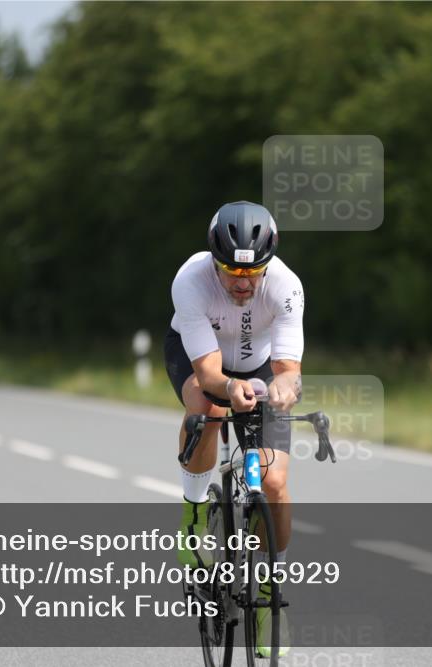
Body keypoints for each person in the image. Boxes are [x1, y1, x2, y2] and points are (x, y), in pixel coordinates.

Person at [165, 201, 304, 657]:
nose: (242, 283)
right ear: (214, 261)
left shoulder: (285, 286)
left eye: (252, 273)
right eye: (231, 271)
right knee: (209, 408)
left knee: (276, 482)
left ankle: (268, 595)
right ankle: (194, 512)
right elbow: (207, 373)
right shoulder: (191, 281)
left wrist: (283, 388)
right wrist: (230, 388)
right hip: (201, 363)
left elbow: (287, 369)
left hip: (259, 365)